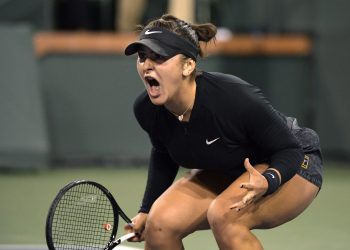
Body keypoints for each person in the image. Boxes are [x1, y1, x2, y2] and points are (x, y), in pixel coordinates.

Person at [123, 14, 323, 250]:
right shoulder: (147, 110)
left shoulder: (233, 97)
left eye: (159, 57)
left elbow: (289, 149)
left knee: (225, 216)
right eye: (142, 57)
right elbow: (164, 152)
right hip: (231, 166)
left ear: (188, 65)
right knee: (159, 225)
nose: (147, 65)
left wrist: (269, 179)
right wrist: (146, 209)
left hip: (293, 160)